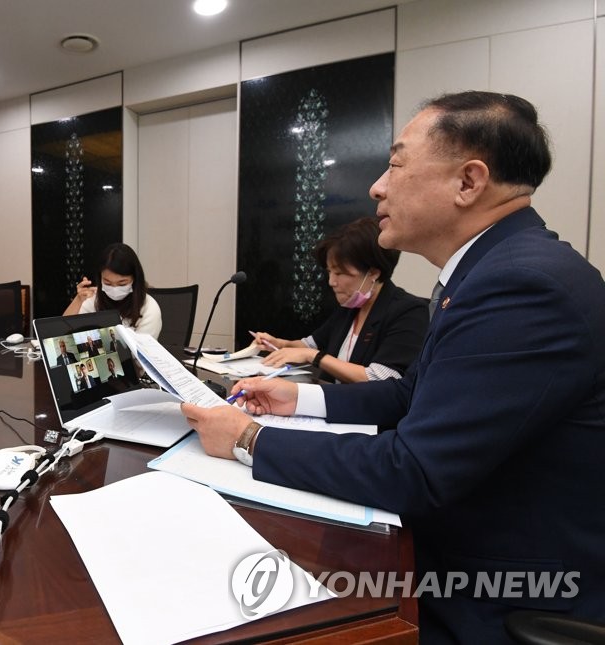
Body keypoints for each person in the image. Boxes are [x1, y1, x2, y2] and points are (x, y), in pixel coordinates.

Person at [180, 91, 605, 642]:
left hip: (500, 590)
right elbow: (413, 397)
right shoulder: (497, 268)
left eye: (397, 163)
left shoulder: (522, 286)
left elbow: (416, 470)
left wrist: (250, 439)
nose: (378, 185)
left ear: (468, 182)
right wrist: (299, 399)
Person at [252, 217, 427, 382]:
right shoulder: (350, 308)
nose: (332, 282)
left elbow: (381, 377)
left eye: (340, 273)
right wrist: (279, 344)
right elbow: (310, 345)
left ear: (373, 272)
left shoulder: (409, 311)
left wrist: (315, 357)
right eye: (329, 272)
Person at [64, 243, 162, 338]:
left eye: (122, 283)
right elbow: (62, 332)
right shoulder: (93, 299)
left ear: (135, 279)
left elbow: (141, 351)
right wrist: (78, 300)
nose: (114, 289)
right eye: (107, 283)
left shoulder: (149, 307)